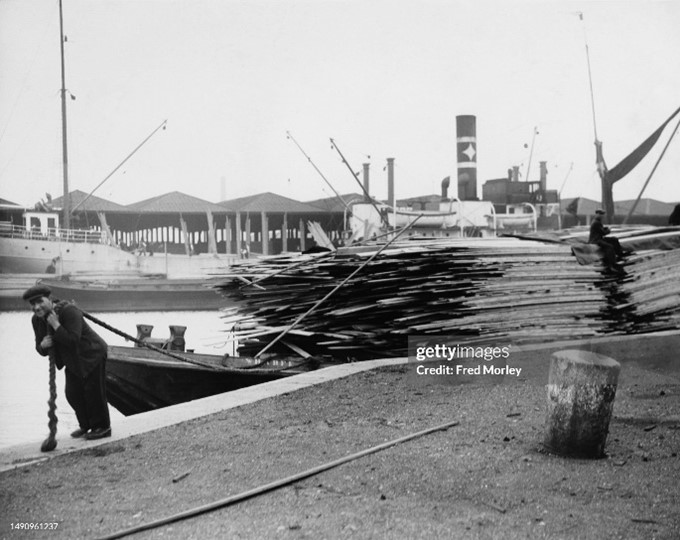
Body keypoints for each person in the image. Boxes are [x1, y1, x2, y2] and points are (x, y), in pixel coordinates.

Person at [23, 285, 111, 440]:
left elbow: (73, 340)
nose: (36, 307)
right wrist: (43, 346)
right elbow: (40, 347)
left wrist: (56, 325)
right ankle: (86, 425)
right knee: (73, 393)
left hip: (91, 353)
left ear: (49, 299)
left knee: (94, 392)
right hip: (71, 358)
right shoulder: (36, 320)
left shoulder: (69, 311)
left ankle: (103, 427)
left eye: (40, 302)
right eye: (32, 304)